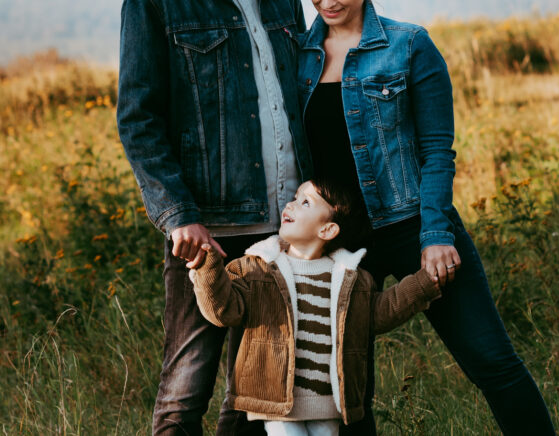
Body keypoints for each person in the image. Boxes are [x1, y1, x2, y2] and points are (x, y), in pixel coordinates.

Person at [295, 0, 556, 435]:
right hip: (342, 241)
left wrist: (436, 235)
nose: (328, 1)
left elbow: (438, 150)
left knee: (491, 362)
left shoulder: (409, 45)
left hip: (416, 224)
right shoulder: (297, 57)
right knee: (347, 388)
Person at [117, 0, 312, 435]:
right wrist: (179, 216)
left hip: (283, 226)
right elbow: (139, 120)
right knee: (187, 387)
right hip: (206, 228)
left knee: (254, 391)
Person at [189, 178, 441, 436]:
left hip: (328, 405)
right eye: (296, 197)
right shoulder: (258, 268)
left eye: (305, 202)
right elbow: (223, 311)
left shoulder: (349, 277)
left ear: (328, 230)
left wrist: (424, 283)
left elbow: (381, 313)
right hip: (278, 404)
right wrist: (206, 266)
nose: (291, 205)